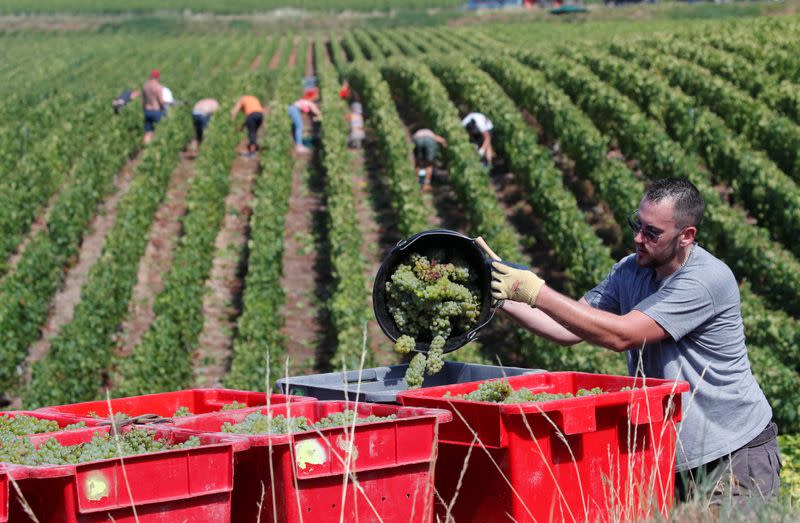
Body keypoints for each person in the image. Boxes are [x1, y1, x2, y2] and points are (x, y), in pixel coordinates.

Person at [482, 178, 780, 509]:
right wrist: (499, 297)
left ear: (686, 236)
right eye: (637, 224)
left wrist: (537, 292)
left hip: (732, 456)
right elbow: (567, 328)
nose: (639, 238)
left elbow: (622, 335)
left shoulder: (705, 279)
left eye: (652, 233)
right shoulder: (631, 270)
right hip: (670, 458)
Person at [141, 69, 164, 145]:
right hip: (156, 110)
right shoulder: (158, 86)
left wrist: (144, 110)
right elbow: (161, 101)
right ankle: (155, 148)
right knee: (159, 130)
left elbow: (143, 101)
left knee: (148, 132)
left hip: (147, 111)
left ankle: (144, 148)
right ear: (158, 77)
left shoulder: (145, 86)